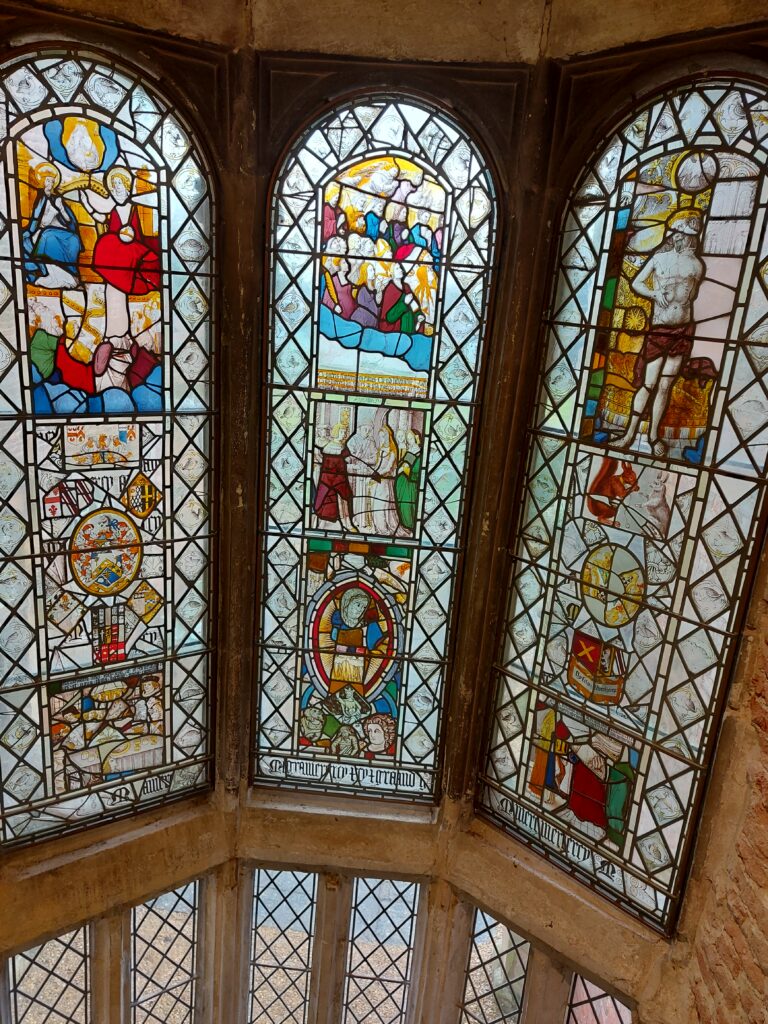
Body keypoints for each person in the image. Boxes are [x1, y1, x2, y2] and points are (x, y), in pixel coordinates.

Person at [617, 209, 705, 456]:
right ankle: (629, 434)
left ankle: (654, 436)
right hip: (660, 329)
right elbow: (637, 283)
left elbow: (691, 296)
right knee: (648, 384)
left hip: (683, 330)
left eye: (686, 235)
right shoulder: (659, 259)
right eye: (679, 234)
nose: (681, 238)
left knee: (665, 385)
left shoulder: (697, 265)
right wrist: (654, 293)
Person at [82, 166, 160, 382]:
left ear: (127, 187)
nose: (117, 189)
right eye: (114, 185)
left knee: (117, 289)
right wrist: (86, 201)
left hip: (130, 253)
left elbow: (139, 234)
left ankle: (117, 339)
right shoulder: (113, 208)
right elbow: (99, 214)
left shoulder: (134, 208)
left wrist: (130, 236)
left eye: (120, 185)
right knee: (113, 291)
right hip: (116, 256)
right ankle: (118, 339)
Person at [23, 163, 82, 289]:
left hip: (62, 231)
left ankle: (71, 276)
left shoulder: (58, 200)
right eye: (48, 181)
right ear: (43, 182)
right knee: (48, 237)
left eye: (52, 181)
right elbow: (40, 222)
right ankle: (56, 276)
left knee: (74, 239)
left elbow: (69, 221)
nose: (50, 184)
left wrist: (61, 209)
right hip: (44, 231)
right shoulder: (39, 199)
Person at [313, 419, 356, 530]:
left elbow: (347, 459)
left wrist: (348, 459)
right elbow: (329, 463)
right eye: (341, 432)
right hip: (328, 478)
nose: (344, 434)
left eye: (345, 432)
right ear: (336, 432)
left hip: (340, 477)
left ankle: (347, 522)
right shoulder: (329, 446)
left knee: (344, 499)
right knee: (326, 499)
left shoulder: (343, 447)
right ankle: (322, 525)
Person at [369, 425, 400, 535]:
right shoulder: (381, 450)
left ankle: (383, 530)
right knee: (374, 504)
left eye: (383, 437)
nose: (382, 439)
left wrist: (377, 474)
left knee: (381, 505)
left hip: (384, 481)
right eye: (380, 437)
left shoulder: (392, 452)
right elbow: (378, 465)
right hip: (377, 480)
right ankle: (377, 528)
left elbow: (388, 468)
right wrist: (373, 473)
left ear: (388, 437)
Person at [394, 429, 422, 533]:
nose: (409, 441)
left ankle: (411, 526)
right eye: (408, 439)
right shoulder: (409, 451)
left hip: (410, 483)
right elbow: (402, 463)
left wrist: (404, 468)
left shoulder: (420, 452)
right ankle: (405, 525)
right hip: (401, 482)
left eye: (411, 438)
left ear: (416, 438)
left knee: (408, 504)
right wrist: (402, 467)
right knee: (401, 504)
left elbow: (416, 469)